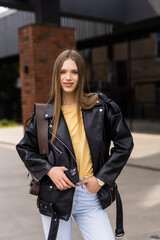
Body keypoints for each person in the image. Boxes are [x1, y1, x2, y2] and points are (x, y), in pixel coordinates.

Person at [16, 49, 134, 240]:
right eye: (63, 72)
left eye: (74, 72)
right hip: (55, 197)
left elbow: (124, 143)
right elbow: (25, 148)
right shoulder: (44, 115)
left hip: (90, 195)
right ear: (57, 75)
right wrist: (48, 170)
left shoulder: (100, 106)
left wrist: (101, 179)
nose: (68, 77)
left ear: (81, 75)